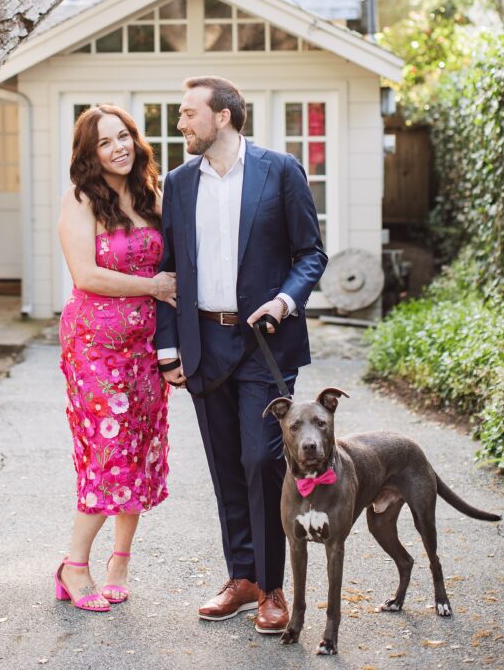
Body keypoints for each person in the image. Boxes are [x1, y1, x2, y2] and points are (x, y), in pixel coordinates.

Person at [156, 76, 327, 634]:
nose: (180, 124)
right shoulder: (180, 184)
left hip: (264, 343)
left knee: (261, 461)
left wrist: (283, 301)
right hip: (204, 341)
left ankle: (274, 587)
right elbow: (170, 270)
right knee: (226, 465)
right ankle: (243, 579)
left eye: (187, 114)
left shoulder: (281, 170)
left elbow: (310, 254)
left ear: (223, 117)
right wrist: (169, 347)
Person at [56, 104, 176, 612]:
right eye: (106, 142)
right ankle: (74, 565)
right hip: (94, 347)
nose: (119, 147)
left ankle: (119, 561)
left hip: (145, 349)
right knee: (110, 452)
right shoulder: (81, 200)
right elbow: (86, 275)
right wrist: (151, 285)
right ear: (91, 153)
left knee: (142, 452)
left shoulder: (152, 194)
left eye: (124, 136)